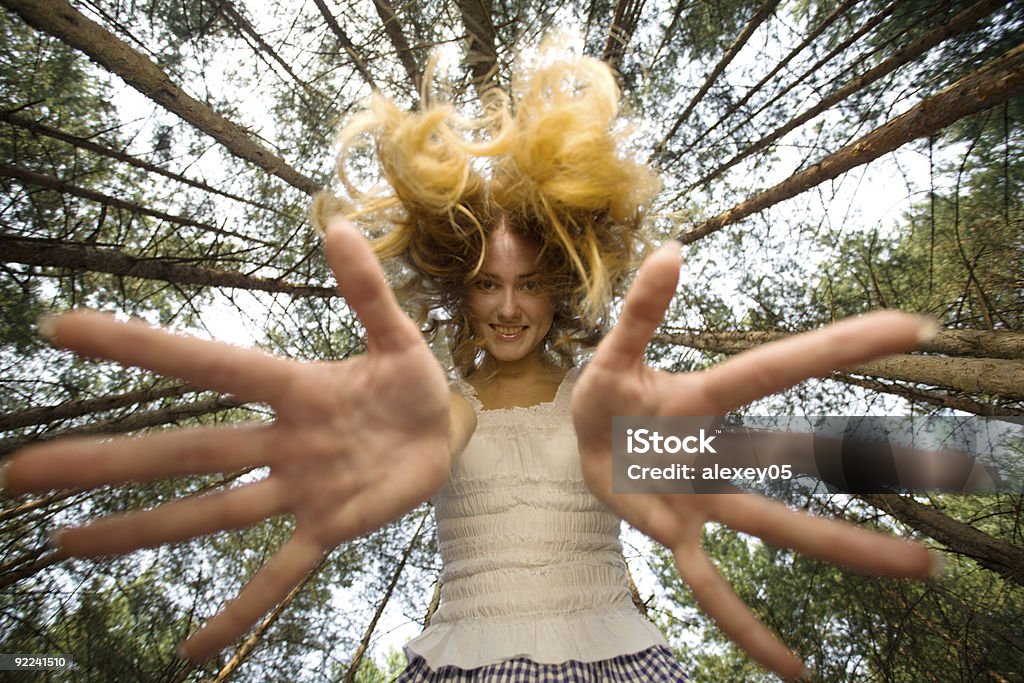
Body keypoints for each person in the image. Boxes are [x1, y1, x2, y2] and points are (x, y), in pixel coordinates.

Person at [1, 50, 938, 681]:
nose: (507, 306)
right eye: (486, 285)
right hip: (460, 660)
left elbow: (789, 453)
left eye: (529, 284)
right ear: (458, 291)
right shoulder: (441, 407)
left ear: (562, 286)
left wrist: (969, 454)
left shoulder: (595, 403)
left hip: (623, 657)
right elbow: (440, 434)